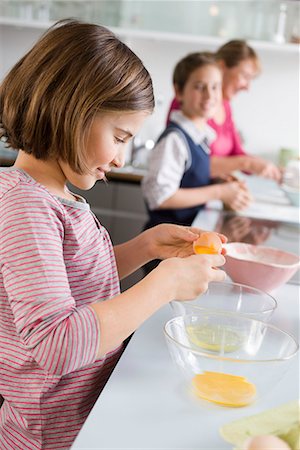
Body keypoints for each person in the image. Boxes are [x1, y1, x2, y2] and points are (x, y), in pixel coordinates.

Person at [0, 20, 227, 450]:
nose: (122, 158)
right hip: (53, 439)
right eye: (120, 136)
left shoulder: (54, 197)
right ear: (71, 111)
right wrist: (163, 286)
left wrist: (144, 248)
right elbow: (57, 344)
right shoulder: (25, 206)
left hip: (88, 420)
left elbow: (73, 283)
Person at [142, 52, 252, 232]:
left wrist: (216, 182)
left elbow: (187, 180)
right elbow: (160, 198)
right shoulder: (175, 139)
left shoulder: (202, 138)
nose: (209, 95)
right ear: (179, 92)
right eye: (200, 87)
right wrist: (219, 192)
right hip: (165, 247)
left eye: (215, 87)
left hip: (185, 240)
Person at [167, 40, 282, 181]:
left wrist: (270, 168)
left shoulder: (226, 106)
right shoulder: (190, 104)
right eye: (245, 76)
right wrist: (248, 163)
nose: (247, 87)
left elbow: (236, 153)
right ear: (221, 67)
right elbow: (195, 162)